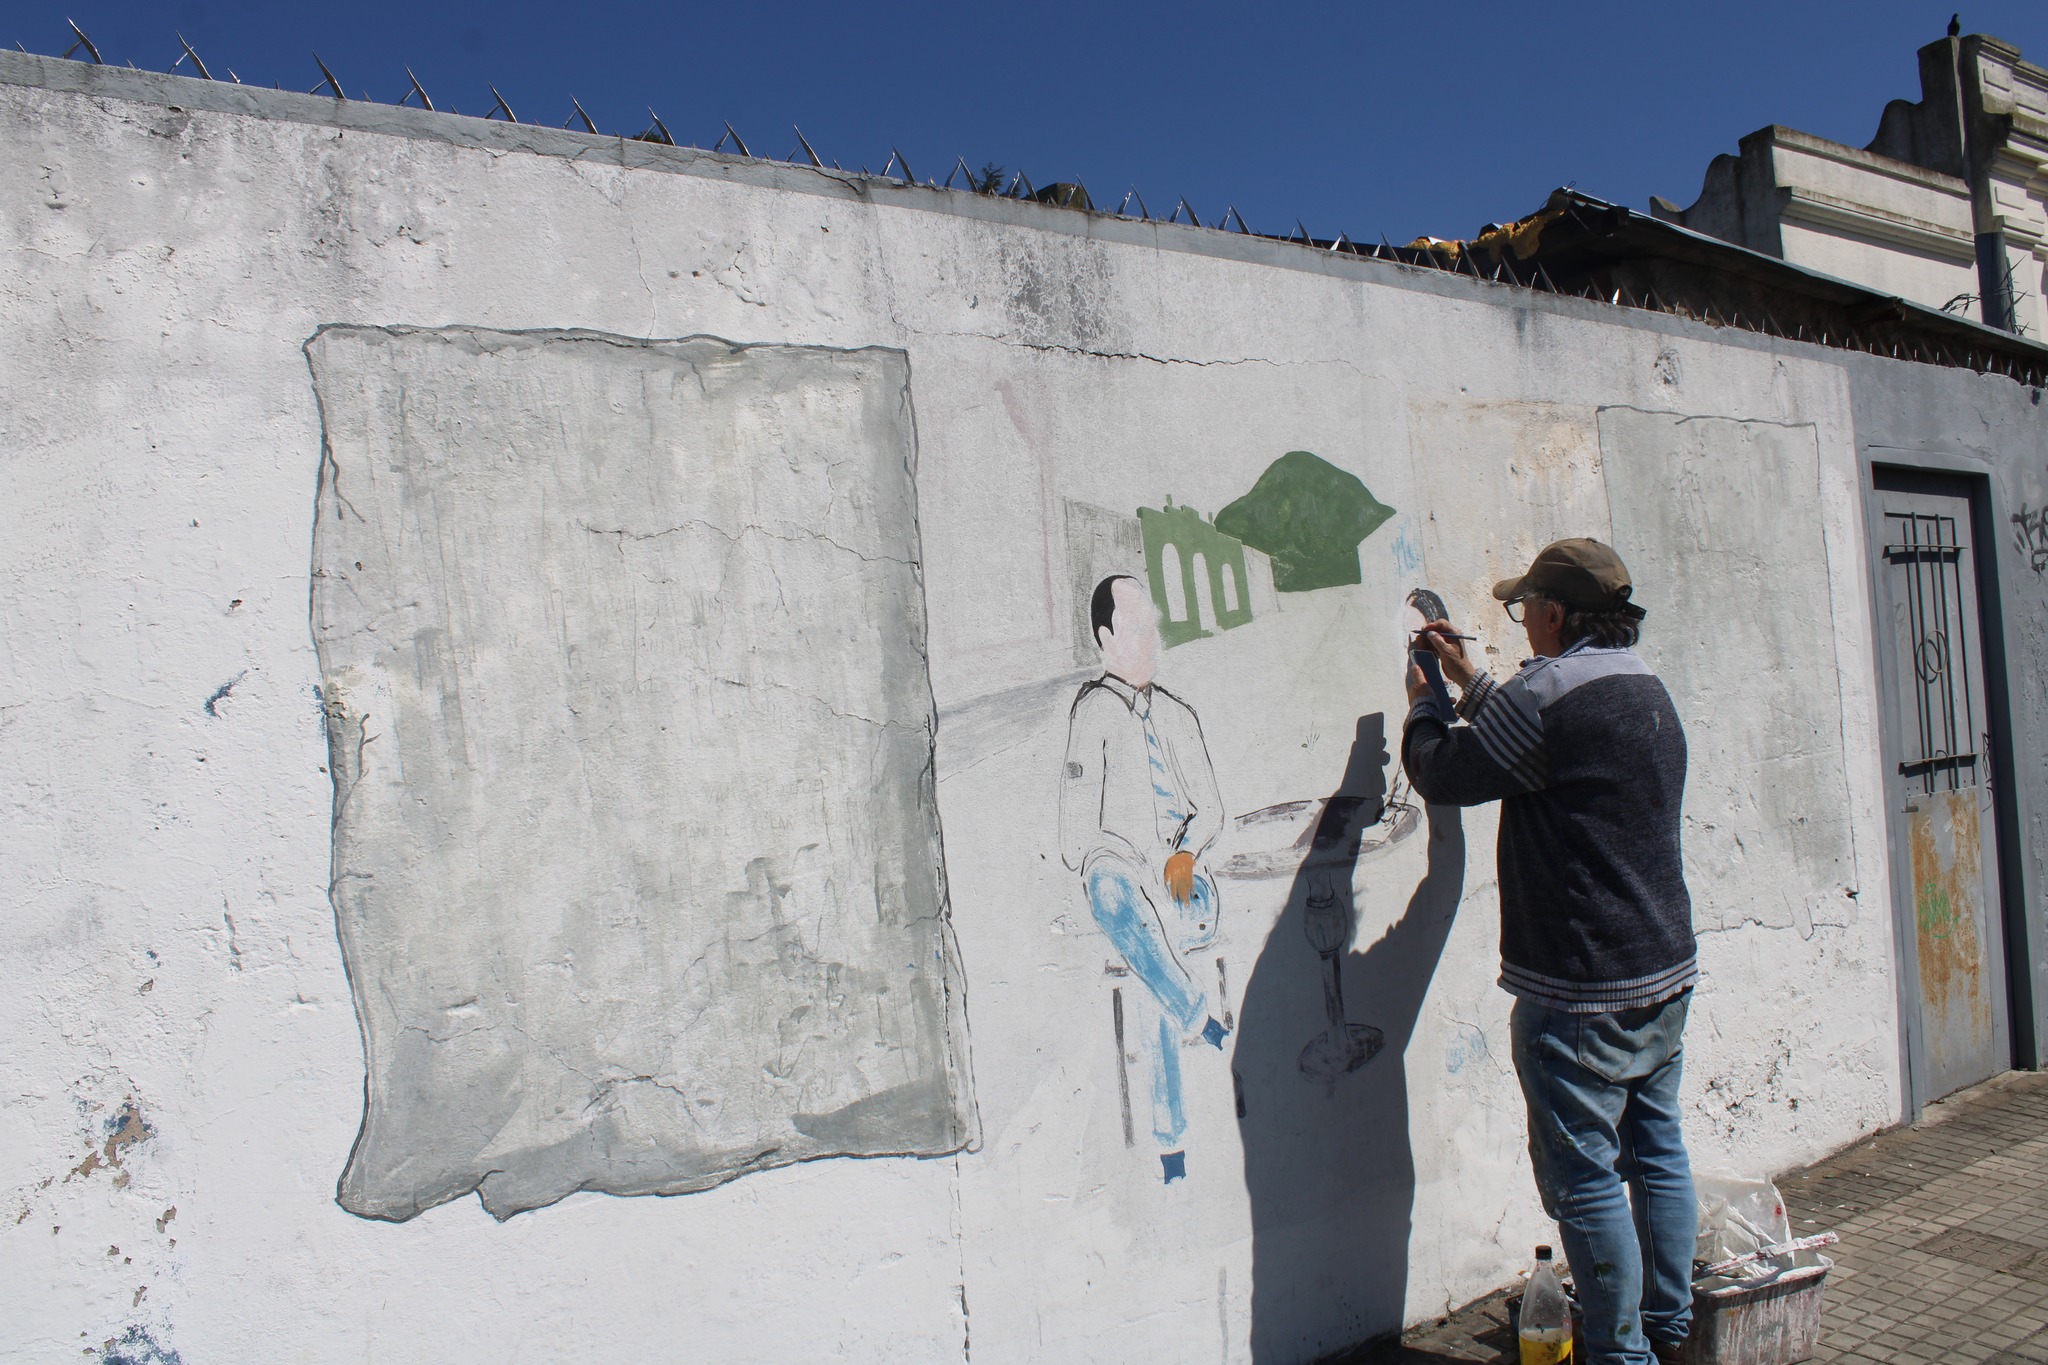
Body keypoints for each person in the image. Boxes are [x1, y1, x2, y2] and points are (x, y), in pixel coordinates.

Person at [1401, 539, 1697, 1365]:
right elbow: (1548, 742)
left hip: (1581, 992)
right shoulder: (1645, 686)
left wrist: (1425, 700)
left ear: (1556, 614)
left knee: (1588, 1179)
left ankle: (1619, 1354)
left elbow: (1446, 770)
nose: (1521, 619)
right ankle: (1670, 1332)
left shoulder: (1543, 696)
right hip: (1663, 968)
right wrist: (1470, 678)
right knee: (1657, 1149)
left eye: (1525, 605)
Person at [1061, 574, 1230, 1183]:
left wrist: (1181, 853)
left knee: (1150, 953)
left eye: (1152, 626)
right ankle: (1193, 1015)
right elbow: (1074, 839)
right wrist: (1128, 862)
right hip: (1126, 888)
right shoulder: (1093, 713)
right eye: (1138, 628)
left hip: (1183, 884)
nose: (1151, 639)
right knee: (1110, 892)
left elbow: (1210, 808)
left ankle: (1172, 1144)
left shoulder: (1178, 716)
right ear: (1106, 637)